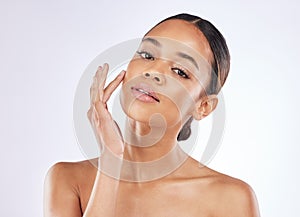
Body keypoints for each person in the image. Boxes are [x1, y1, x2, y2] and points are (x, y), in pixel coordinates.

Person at [44, 13, 260, 217]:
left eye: (180, 71)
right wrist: (111, 159)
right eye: (147, 55)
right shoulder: (67, 179)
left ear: (203, 106)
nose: (154, 72)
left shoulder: (231, 199)